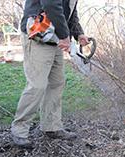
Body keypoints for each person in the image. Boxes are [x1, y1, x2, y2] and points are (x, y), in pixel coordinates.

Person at [11, 0, 90, 148]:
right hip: (38, 35)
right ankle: (19, 130)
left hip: (54, 37)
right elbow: (51, 5)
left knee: (56, 83)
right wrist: (64, 36)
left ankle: (51, 126)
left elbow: (69, 11)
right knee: (37, 85)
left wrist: (78, 33)